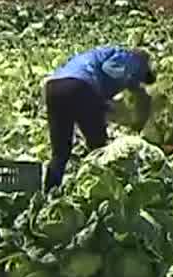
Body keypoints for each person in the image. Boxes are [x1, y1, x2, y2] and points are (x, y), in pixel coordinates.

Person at [43, 45, 155, 190]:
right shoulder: (131, 58)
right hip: (80, 86)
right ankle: (101, 190)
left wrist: (102, 103)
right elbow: (110, 68)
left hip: (54, 87)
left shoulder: (99, 54)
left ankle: (49, 192)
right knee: (99, 147)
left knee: (60, 152)